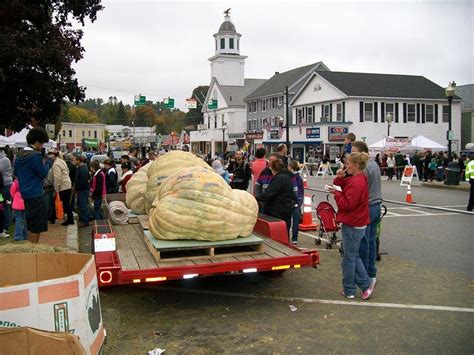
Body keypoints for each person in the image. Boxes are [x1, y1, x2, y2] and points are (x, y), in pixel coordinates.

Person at [330, 152, 374, 300]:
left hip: (354, 223)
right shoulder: (357, 179)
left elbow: (348, 204)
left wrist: (337, 193)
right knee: (351, 256)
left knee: (349, 258)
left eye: (348, 163)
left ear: (356, 165)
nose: (346, 166)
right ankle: (357, 286)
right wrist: (339, 178)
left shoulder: (357, 182)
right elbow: (340, 185)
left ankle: (355, 287)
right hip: (356, 222)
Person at [14, 127, 53, 243]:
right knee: (37, 225)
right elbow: (43, 173)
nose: (42, 146)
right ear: (36, 142)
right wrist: (49, 161)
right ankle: (34, 248)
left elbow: (15, 172)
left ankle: (31, 246)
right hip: (35, 193)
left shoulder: (20, 153)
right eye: (42, 143)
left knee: (30, 223)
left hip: (25, 193)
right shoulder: (35, 155)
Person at [352, 141, 382, 287]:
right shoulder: (374, 164)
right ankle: (371, 274)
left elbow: (359, 190)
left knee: (364, 243)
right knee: (371, 241)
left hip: (368, 206)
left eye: (354, 152)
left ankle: (365, 276)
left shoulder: (365, 168)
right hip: (376, 205)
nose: (352, 155)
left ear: (362, 152)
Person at [258, 158, 296, 234]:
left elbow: (269, 194)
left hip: (277, 211)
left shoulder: (278, 178)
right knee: (285, 232)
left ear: (273, 168)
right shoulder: (287, 177)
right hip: (287, 210)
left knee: (277, 233)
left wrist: (256, 197)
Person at [51, 150, 74, 226]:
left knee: (63, 203)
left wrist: (56, 188)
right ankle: (53, 217)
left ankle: (68, 219)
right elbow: (67, 171)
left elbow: (57, 177)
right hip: (67, 184)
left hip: (62, 186)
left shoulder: (56, 164)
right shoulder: (62, 161)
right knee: (65, 203)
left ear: (53, 156)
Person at [289, 159, 304, 244]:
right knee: (295, 220)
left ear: (290, 167)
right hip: (298, 200)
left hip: (291, 200)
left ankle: (288, 236)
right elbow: (301, 192)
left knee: (288, 219)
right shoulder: (299, 178)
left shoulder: (290, 177)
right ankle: (295, 238)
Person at [74, 154, 90, 227]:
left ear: (78, 160)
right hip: (82, 190)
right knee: (82, 205)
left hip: (82, 190)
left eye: (75, 160)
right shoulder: (81, 167)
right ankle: (84, 219)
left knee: (83, 206)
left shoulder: (82, 169)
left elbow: (83, 181)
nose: (74, 161)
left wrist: (78, 189)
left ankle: (85, 221)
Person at [0, 147, 13, 234]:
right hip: (3, 185)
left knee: (5, 206)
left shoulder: (5, 160)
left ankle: (6, 226)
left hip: (6, 185)